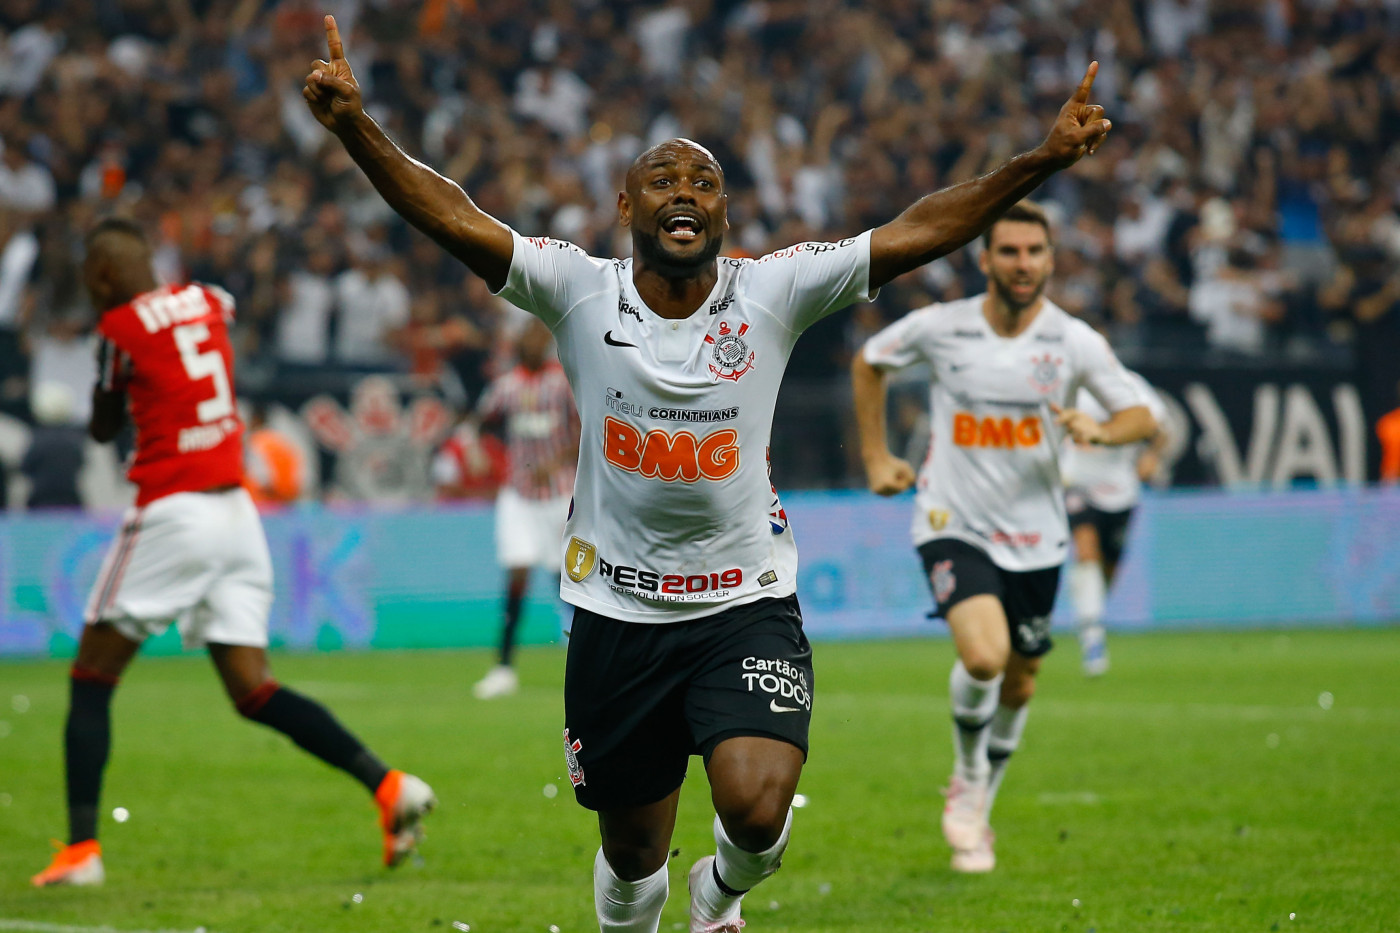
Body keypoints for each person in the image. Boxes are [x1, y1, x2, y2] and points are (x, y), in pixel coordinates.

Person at [304, 17, 1111, 930]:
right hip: (617, 611)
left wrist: (1038, 161)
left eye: (704, 183)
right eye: (662, 181)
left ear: (725, 214)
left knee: (759, 812)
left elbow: (918, 229)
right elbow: (454, 215)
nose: (683, 194)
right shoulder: (575, 289)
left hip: (744, 598)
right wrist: (356, 130)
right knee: (630, 854)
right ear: (627, 208)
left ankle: (717, 896)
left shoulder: (775, 287)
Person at [31, 218, 435, 888]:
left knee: (90, 677)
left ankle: (81, 852)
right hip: (238, 513)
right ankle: (389, 784)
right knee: (253, 688)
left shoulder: (120, 329)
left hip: (174, 509)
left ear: (102, 277)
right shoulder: (208, 299)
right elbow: (215, 321)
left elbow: (105, 428)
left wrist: (111, 380)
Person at [851, 201, 1156, 874]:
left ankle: (981, 800)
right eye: (1010, 251)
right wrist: (876, 456)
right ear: (984, 259)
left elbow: (1141, 412)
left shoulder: (1071, 341)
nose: (1023, 264)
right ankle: (966, 777)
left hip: (1037, 537)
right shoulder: (942, 327)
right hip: (950, 519)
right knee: (985, 658)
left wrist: (1104, 430)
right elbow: (870, 360)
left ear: (1050, 261)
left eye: (1034, 252)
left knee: (1020, 684)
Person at [471, 317, 579, 700]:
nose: (531, 343)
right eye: (526, 337)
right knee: (516, 576)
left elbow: (586, 430)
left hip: (558, 494)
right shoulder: (507, 386)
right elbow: (481, 426)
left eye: (538, 337)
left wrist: (558, 461)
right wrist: (494, 462)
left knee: (564, 579)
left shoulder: (562, 384)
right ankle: (503, 668)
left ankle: (582, 660)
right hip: (518, 496)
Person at [1061, 368, 1169, 675]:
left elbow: (1159, 429)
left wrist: (1152, 455)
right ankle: (1092, 636)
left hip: (1120, 489)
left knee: (1109, 567)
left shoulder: (1129, 386)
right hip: (1076, 482)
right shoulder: (1067, 384)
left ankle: (1089, 610)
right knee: (1086, 550)